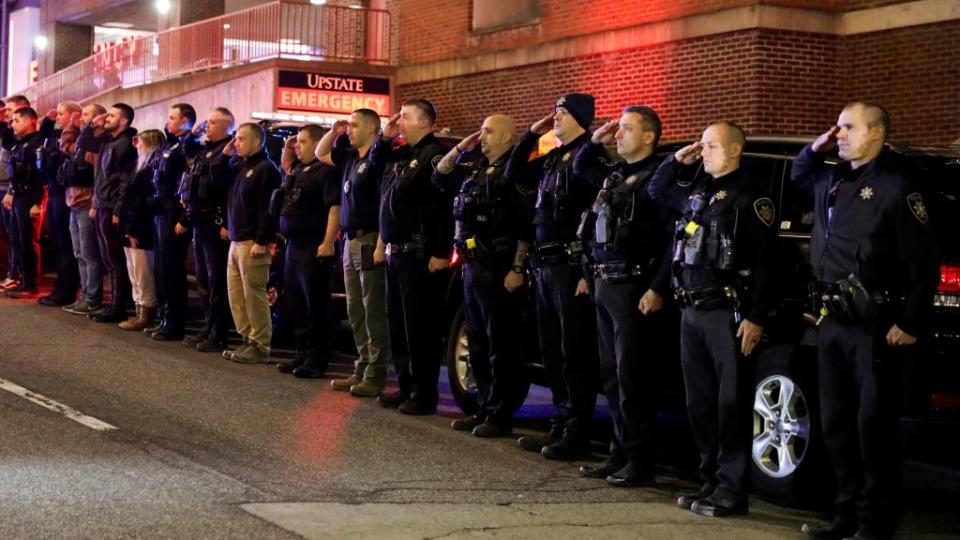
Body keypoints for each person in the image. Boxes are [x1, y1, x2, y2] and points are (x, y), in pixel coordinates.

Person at [793, 103, 939, 540]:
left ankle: (875, 523)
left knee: (871, 429)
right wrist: (816, 147)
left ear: (876, 133)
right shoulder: (833, 178)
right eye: (837, 127)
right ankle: (845, 516)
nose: (839, 133)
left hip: (876, 327)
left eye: (849, 127)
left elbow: (924, 263)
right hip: (831, 323)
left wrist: (910, 322)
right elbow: (801, 173)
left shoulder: (898, 187)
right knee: (835, 426)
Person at [647, 121, 776, 517]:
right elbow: (656, 191)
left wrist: (755, 317)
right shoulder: (698, 191)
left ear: (735, 150)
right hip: (691, 310)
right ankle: (709, 481)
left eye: (710, 146)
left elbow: (768, 263)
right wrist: (675, 160)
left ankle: (732, 491)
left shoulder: (750, 198)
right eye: (701, 146)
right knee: (700, 403)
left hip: (726, 313)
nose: (703, 152)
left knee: (729, 405)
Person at [573, 105, 673, 486]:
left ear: (649, 137)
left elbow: (670, 240)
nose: (618, 134)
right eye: (617, 129)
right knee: (611, 376)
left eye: (626, 129)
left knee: (633, 378)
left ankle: (638, 459)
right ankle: (617, 453)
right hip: (604, 283)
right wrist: (595, 139)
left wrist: (657, 287)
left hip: (634, 287)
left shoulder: (657, 178)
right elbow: (583, 168)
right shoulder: (615, 176)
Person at [503, 93, 600, 460]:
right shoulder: (556, 157)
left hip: (570, 265)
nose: (554, 118)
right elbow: (515, 173)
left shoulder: (587, 156)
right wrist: (530, 134)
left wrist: (587, 270)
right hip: (545, 266)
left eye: (560, 113)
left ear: (579, 118)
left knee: (574, 352)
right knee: (552, 351)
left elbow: (593, 216)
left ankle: (577, 431)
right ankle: (560, 425)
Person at [432, 114, 529, 437]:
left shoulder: (512, 174)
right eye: (482, 131)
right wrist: (462, 146)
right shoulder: (474, 170)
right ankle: (484, 407)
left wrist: (517, 268)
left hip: (499, 267)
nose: (482, 136)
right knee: (477, 340)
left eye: (488, 132)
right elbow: (440, 174)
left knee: (500, 344)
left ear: (507, 138)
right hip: (472, 266)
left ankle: (501, 414)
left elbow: (523, 227)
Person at [372, 98, 451, 416]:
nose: (399, 120)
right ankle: (405, 385)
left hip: (420, 254)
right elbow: (375, 167)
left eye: (405, 117)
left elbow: (443, 207)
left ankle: (424, 392)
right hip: (397, 253)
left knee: (420, 327)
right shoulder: (401, 154)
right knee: (399, 326)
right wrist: (385, 138)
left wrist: (441, 251)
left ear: (425, 122)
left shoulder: (435, 155)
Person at [317, 109, 391, 398]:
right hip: (349, 242)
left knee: (373, 312)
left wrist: (381, 244)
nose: (350, 129)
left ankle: (375, 374)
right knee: (355, 311)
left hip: (369, 238)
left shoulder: (378, 161)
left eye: (355, 125)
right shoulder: (350, 158)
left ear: (373, 129)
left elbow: (386, 203)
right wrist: (333, 132)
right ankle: (361, 367)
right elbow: (323, 153)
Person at [272, 125, 341, 378]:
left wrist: (327, 241)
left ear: (317, 143)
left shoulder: (327, 171)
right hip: (293, 245)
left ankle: (316, 359)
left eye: (302, 142)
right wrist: (287, 146)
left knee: (316, 305)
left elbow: (334, 207)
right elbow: (287, 165)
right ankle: (301, 353)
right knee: (296, 303)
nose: (297, 146)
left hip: (314, 246)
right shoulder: (300, 168)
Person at [222, 123, 281, 364]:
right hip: (236, 241)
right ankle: (247, 338)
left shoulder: (266, 169)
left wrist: (262, 239)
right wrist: (225, 157)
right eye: (236, 139)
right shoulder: (241, 166)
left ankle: (260, 344)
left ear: (257, 142)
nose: (236, 143)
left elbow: (269, 209)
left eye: (241, 139)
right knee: (236, 295)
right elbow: (220, 185)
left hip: (252, 243)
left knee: (253, 294)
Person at [178, 107, 235, 352]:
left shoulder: (229, 153)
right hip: (200, 222)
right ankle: (207, 326)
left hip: (215, 224)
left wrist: (225, 223)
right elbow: (187, 150)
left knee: (216, 281)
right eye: (207, 122)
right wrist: (193, 132)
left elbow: (226, 193)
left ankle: (218, 333)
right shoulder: (205, 149)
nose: (207, 126)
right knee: (203, 280)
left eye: (212, 123)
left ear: (226, 127)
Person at [80, 103, 137, 323]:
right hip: (102, 204)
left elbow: (125, 181)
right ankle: (114, 304)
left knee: (115, 259)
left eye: (112, 116)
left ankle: (118, 306)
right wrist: (93, 124)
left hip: (112, 208)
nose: (107, 118)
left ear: (124, 121)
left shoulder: (124, 145)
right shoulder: (108, 141)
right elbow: (84, 144)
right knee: (108, 258)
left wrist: (117, 210)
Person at [148, 103, 201, 341]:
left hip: (174, 216)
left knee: (171, 270)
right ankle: (163, 317)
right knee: (160, 269)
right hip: (161, 212)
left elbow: (189, 184)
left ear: (185, 122)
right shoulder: (169, 145)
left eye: (172, 117)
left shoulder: (190, 147)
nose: (167, 121)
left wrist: (184, 218)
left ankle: (174, 323)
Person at [61, 104, 107, 316]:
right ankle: (85, 295)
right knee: (79, 253)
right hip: (74, 203)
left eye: (87, 115)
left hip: (88, 203)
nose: (82, 118)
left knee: (89, 254)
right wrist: (72, 123)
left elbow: (99, 175)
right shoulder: (82, 141)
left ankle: (92, 298)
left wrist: (95, 203)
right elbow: (66, 145)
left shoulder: (97, 142)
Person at [36, 102, 82, 307]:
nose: (59, 117)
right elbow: (42, 138)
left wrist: (72, 126)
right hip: (54, 192)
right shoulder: (57, 136)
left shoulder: (77, 137)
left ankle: (67, 290)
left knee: (66, 245)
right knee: (57, 243)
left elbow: (68, 150)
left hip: (66, 194)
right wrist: (47, 121)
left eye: (62, 114)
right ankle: (61, 286)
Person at [117, 129, 163, 331]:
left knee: (143, 272)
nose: (136, 145)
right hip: (130, 226)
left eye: (140, 142)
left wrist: (133, 228)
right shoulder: (138, 167)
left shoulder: (150, 169)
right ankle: (138, 309)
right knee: (133, 270)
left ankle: (147, 312)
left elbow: (142, 203)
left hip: (141, 228)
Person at [3, 107, 46, 299]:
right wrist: (11, 192)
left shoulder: (38, 142)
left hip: (29, 196)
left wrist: (36, 203)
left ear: (30, 121)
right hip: (18, 195)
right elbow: (7, 144)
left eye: (16, 120)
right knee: (17, 239)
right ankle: (21, 279)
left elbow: (38, 176)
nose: (13, 124)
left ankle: (30, 284)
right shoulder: (21, 142)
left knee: (27, 240)